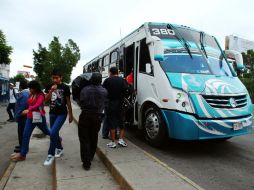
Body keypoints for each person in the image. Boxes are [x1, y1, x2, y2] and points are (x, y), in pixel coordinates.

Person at [11, 80, 50, 162]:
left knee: (47, 131)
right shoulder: (30, 94)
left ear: (35, 88)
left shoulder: (40, 95)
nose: (29, 89)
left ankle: (57, 138)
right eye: (29, 88)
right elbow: (29, 103)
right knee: (25, 135)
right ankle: (23, 155)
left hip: (39, 118)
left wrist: (28, 109)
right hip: (30, 118)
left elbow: (38, 104)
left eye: (31, 88)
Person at [78, 72, 107, 170]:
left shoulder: (84, 90)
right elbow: (104, 103)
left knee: (84, 139)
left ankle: (86, 163)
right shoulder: (104, 91)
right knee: (93, 137)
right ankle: (90, 156)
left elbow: (80, 101)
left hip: (85, 115)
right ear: (100, 80)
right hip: (97, 117)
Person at [44, 69, 73, 165]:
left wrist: (71, 114)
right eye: (53, 78)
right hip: (52, 113)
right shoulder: (49, 86)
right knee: (54, 133)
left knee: (52, 133)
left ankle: (50, 155)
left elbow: (68, 101)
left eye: (57, 78)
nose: (55, 80)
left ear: (61, 78)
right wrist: (51, 90)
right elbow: (46, 100)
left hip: (62, 113)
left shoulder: (65, 87)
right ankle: (60, 148)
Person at [103, 67, 128, 148]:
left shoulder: (107, 81)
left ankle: (113, 142)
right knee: (121, 122)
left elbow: (103, 92)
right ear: (117, 72)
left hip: (110, 104)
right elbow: (127, 90)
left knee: (111, 123)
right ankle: (121, 140)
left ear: (110, 72)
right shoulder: (123, 80)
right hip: (121, 104)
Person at [13, 80, 29, 153]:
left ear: (21, 86)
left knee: (22, 132)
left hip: (23, 117)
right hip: (23, 116)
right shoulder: (24, 93)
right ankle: (21, 145)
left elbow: (22, 107)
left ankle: (23, 147)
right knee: (21, 132)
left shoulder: (24, 94)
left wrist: (17, 115)